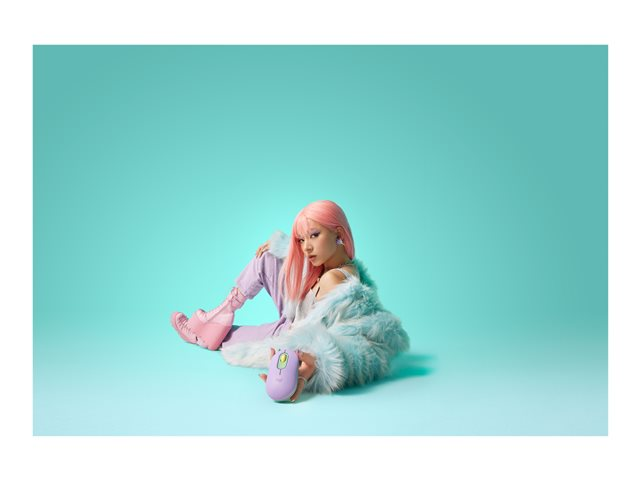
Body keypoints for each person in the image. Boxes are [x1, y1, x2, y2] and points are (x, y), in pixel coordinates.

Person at [170, 200, 410, 402]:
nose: (306, 248)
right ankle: (221, 313)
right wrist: (286, 249)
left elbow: (334, 338)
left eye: (314, 236)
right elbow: (304, 269)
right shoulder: (336, 266)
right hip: (295, 310)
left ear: (338, 233)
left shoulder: (335, 279)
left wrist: (308, 368)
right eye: (301, 240)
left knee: (230, 340)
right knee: (267, 257)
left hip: (291, 331)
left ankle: (203, 333)